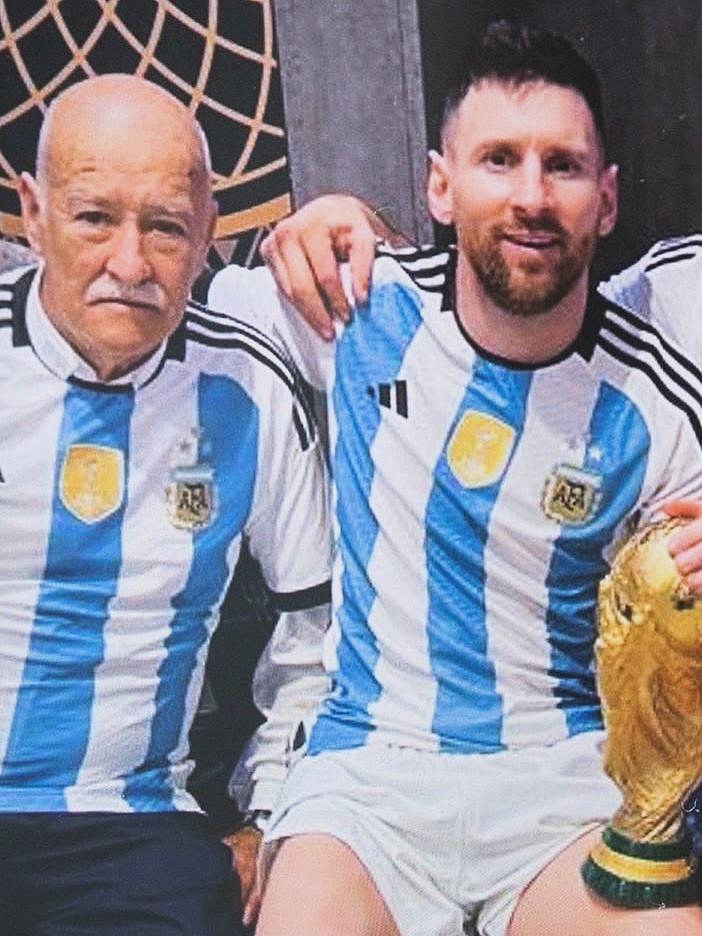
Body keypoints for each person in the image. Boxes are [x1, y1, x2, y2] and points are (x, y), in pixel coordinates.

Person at [207, 21, 702, 936]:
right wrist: (300, 227)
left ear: (606, 199)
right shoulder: (356, 307)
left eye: (563, 166)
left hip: (561, 780)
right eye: (498, 160)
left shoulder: (657, 396)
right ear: (441, 185)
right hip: (369, 777)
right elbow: (176, 315)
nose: (531, 197)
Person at [0, 74, 334, 936]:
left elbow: (318, 629)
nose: (130, 263)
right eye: (94, 218)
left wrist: (271, 814)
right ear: (32, 212)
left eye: (165, 226)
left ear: (206, 231)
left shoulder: (248, 384)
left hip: (133, 823)